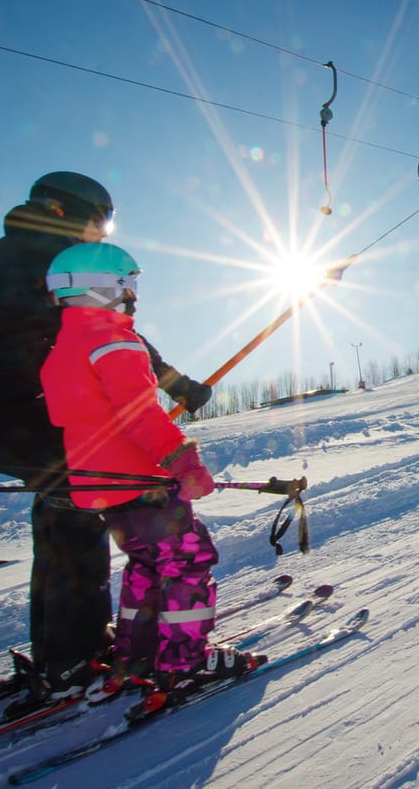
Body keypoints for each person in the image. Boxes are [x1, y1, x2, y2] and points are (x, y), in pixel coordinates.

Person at [0, 172, 212, 706]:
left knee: (64, 504)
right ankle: (74, 656)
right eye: (101, 224)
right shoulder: (47, 256)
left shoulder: (16, 252)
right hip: (12, 407)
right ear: (70, 212)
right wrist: (178, 386)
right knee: (79, 510)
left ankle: (64, 649)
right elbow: (107, 333)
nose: (100, 236)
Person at [40, 242, 262, 717]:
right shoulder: (115, 341)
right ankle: (185, 662)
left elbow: (73, 416)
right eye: (128, 286)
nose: (133, 297)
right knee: (186, 562)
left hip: (103, 489)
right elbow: (139, 415)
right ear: (105, 288)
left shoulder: (62, 348)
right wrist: (184, 460)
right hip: (145, 485)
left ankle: (135, 654)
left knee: (145, 565)